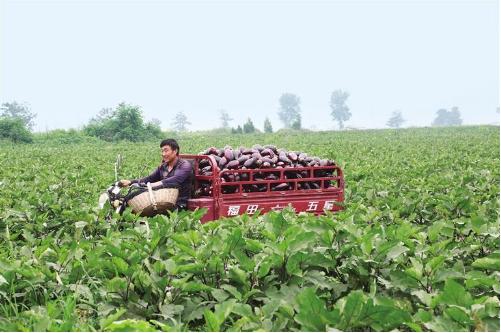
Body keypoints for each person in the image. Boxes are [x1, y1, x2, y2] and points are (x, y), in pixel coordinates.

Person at [119, 138, 193, 210]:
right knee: (129, 199)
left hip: (179, 203)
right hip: (163, 200)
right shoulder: (163, 166)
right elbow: (150, 178)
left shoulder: (184, 165)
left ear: (175, 151)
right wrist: (131, 182)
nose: (163, 154)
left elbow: (175, 180)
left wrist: (153, 185)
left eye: (166, 151)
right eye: (162, 151)